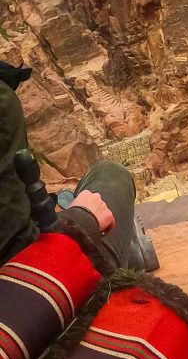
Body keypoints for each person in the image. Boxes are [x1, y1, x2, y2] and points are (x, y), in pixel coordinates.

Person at [0, 60, 156, 270]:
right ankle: (126, 249)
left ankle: (125, 248)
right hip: (40, 276)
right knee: (111, 174)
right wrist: (83, 218)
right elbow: (15, 244)